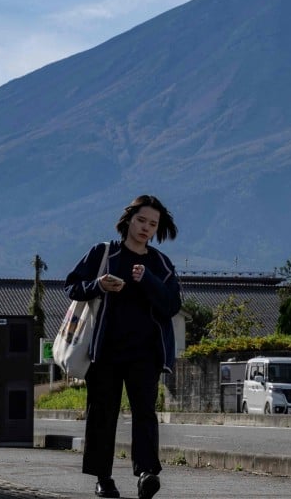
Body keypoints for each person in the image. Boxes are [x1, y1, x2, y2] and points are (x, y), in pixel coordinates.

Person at [64, 195, 181, 499]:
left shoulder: (160, 264)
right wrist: (98, 285)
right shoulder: (104, 253)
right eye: (141, 220)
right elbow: (71, 286)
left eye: (152, 224)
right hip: (105, 351)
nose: (146, 228)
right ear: (129, 219)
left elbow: (171, 305)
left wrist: (149, 280)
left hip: (146, 354)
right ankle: (103, 478)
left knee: (145, 413)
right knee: (102, 413)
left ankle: (146, 474)